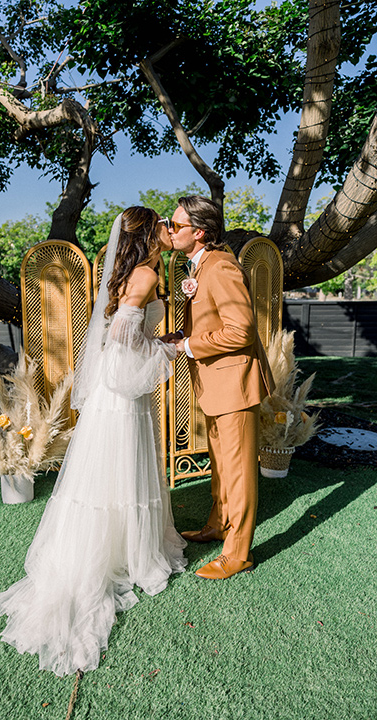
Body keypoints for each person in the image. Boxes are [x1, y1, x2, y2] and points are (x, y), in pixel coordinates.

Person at [0, 207, 186, 677]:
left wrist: (160, 336)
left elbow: (124, 327)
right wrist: (167, 348)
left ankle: (122, 542)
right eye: (162, 224)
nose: (167, 230)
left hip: (115, 390)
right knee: (123, 465)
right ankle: (129, 552)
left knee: (112, 469)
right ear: (146, 232)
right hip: (123, 391)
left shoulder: (131, 272)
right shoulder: (143, 272)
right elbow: (121, 334)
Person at [161, 195, 274, 580]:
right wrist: (184, 335)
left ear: (200, 232)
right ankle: (218, 523)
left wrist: (189, 346)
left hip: (234, 383)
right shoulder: (201, 265)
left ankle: (238, 553)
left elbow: (240, 331)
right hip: (215, 382)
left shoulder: (221, 265)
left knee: (239, 470)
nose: (170, 230)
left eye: (176, 225)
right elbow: (213, 320)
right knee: (221, 462)